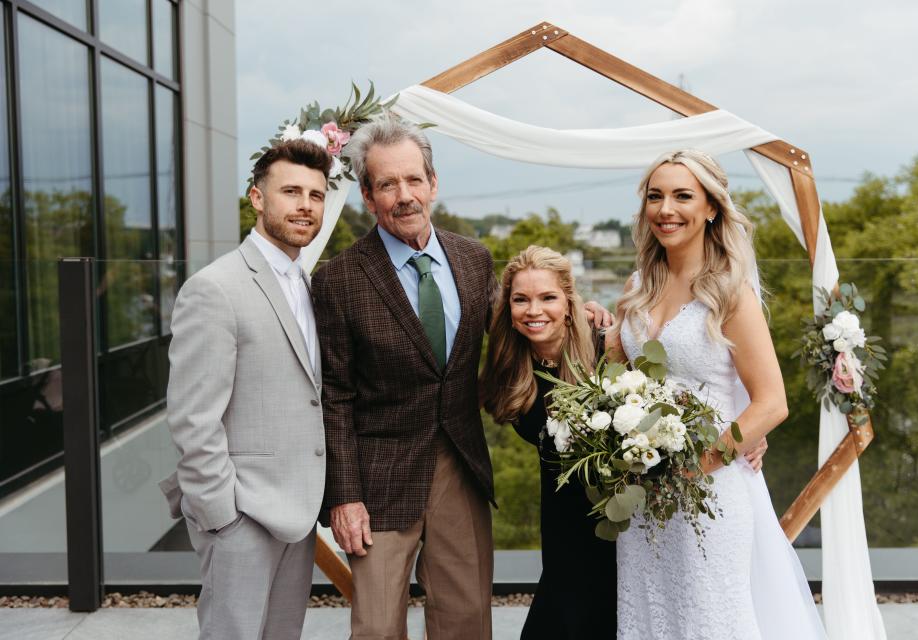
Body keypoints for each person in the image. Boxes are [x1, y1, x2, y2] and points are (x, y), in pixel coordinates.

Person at [313, 117, 612, 640]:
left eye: (413, 180)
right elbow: (334, 395)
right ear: (366, 194)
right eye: (387, 184)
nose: (404, 196)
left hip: (462, 465)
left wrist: (583, 315)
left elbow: (521, 325)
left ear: (433, 183)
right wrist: (344, 496)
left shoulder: (473, 259)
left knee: (466, 621)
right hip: (378, 479)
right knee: (377, 627)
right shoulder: (339, 280)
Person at [605, 149, 827, 639]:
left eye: (683, 196)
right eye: (655, 196)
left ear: (711, 208)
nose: (666, 209)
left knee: (711, 617)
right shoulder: (638, 285)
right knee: (649, 612)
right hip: (644, 491)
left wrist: (696, 464)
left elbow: (771, 401)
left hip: (711, 488)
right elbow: (614, 379)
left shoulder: (730, 292)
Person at [158, 139, 331, 639]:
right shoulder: (215, 288)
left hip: (296, 513)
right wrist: (221, 516)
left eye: (316, 196)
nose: (304, 205)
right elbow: (193, 417)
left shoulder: (305, 283)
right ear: (257, 197)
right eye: (291, 191)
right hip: (241, 515)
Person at [480, 245, 617, 640]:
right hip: (561, 524)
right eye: (520, 299)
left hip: (618, 523)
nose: (534, 310)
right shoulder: (511, 364)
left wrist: (746, 436)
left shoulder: (608, 348)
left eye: (548, 298)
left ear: (570, 303)